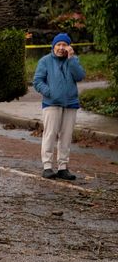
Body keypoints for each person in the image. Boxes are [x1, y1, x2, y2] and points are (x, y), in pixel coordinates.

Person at [32, 32, 86, 180]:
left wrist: (72, 59)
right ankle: (47, 166)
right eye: (59, 45)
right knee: (50, 134)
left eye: (65, 45)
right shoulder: (45, 61)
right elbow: (37, 81)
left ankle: (63, 167)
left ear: (69, 47)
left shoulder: (73, 60)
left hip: (71, 104)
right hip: (51, 103)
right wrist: (49, 92)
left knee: (66, 136)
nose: (61, 48)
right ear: (53, 46)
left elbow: (80, 76)